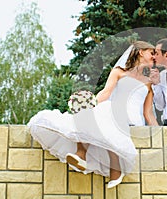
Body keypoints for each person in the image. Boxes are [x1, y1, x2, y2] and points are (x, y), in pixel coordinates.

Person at [28, 41, 158, 189]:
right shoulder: (119, 72)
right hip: (114, 113)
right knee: (100, 110)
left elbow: (148, 113)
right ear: (141, 52)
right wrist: (88, 106)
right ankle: (81, 155)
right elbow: (106, 92)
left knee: (108, 110)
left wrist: (160, 133)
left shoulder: (149, 82)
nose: (154, 57)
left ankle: (109, 164)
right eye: (151, 53)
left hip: (133, 121)